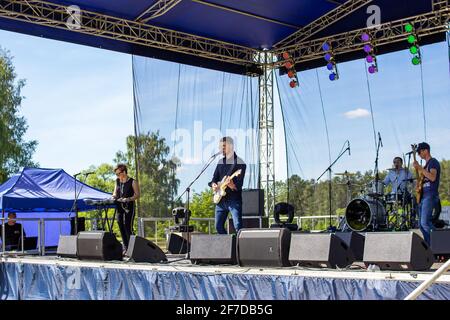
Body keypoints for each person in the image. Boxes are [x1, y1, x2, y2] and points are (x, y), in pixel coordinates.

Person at [209, 137, 246, 234]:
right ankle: (227, 246)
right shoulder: (220, 162)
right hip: (220, 200)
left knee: (238, 226)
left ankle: (239, 248)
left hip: (234, 200)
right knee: (218, 226)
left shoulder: (240, 163)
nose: (221, 149)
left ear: (231, 146)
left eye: (224, 146)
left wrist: (232, 185)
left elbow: (239, 185)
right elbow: (214, 179)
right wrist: (213, 184)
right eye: (220, 147)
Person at [413, 142, 440, 245]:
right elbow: (423, 180)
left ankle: (440, 242)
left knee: (425, 223)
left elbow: (432, 177)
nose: (419, 154)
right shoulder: (426, 165)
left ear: (426, 150)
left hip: (430, 195)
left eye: (420, 152)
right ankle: (431, 247)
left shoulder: (433, 162)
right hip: (423, 196)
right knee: (420, 224)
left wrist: (420, 168)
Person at [112, 164, 140, 254]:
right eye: (116, 174)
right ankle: (126, 248)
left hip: (129, 207)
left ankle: (134, 248)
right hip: (119, 206)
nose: (117, 176)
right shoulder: (117, 181)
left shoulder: (133, 181)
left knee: (128, 226)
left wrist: (128, 199)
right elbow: (115, 193)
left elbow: (137, 195)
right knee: (120, 225)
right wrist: (113, 197)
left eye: (118, 173)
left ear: (124, 172)